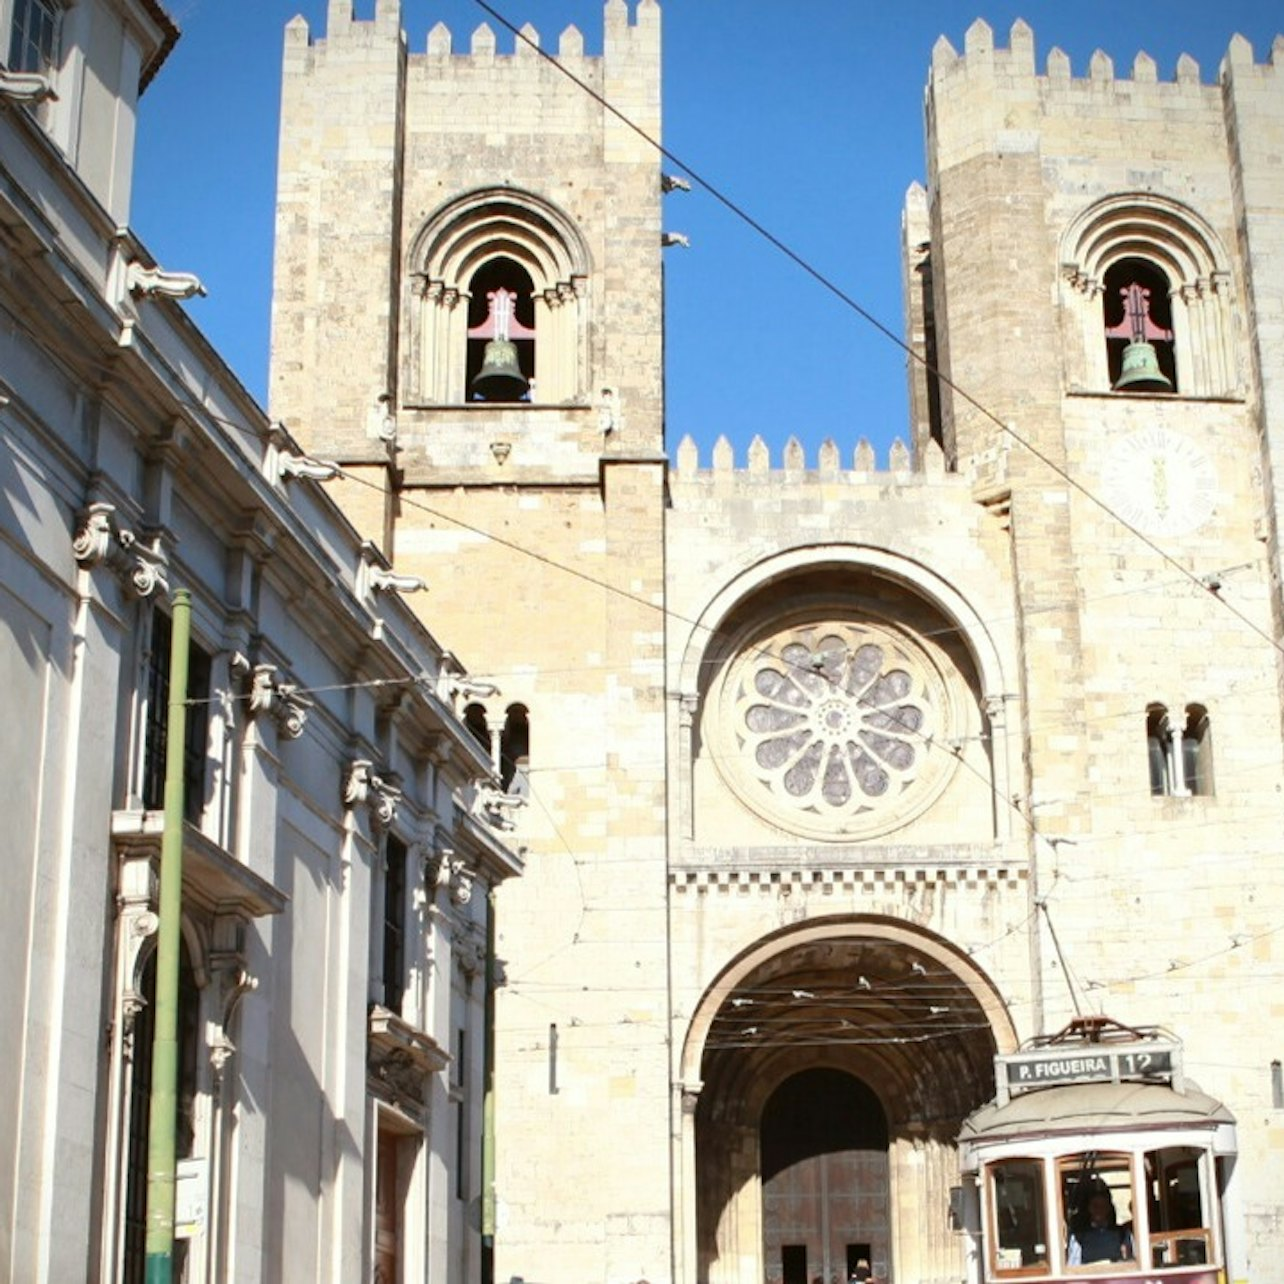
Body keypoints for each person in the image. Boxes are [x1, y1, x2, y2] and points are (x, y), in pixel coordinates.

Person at [1068, 1189, 1134, 1265]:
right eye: (1095, 1206)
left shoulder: (1123, 1234)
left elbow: (1130, 1263)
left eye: (1103, 1206)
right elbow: (1073, 1267)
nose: (1099, 1210)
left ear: (1109, 1208)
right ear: (1089, 1208)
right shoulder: (1078, 1237)